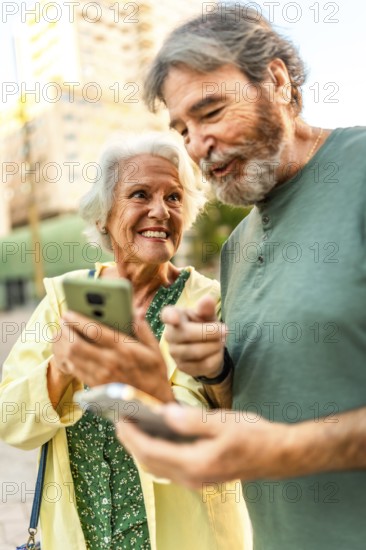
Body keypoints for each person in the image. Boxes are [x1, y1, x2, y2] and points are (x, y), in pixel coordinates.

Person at [116, 8, 366, 550]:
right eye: (183, 129)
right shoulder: (236, 246)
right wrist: (213, 368)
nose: (197, 145)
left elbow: (272, 443)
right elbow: (246, 412)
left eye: (210, 112)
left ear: (276, 81)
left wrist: (286, 449)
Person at [0, 133, 247, 550]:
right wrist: (57, 370)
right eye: (139, 194)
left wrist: (154, 386)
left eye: (173, 197)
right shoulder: (64, 298)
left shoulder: (210, 302)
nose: (160, 210)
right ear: (103, 216)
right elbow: (10, 422)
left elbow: (217, 437)